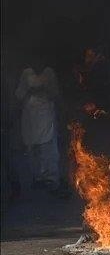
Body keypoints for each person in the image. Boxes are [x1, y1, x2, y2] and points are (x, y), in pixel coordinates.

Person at [15, 63, 63, 194]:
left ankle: (50, 178)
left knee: (48, 148)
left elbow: (54, 92)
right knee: (34, 148)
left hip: (44, 115)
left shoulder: (48, 72)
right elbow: (19, 94)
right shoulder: (27, 72)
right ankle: (40, 177)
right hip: (31, 116)